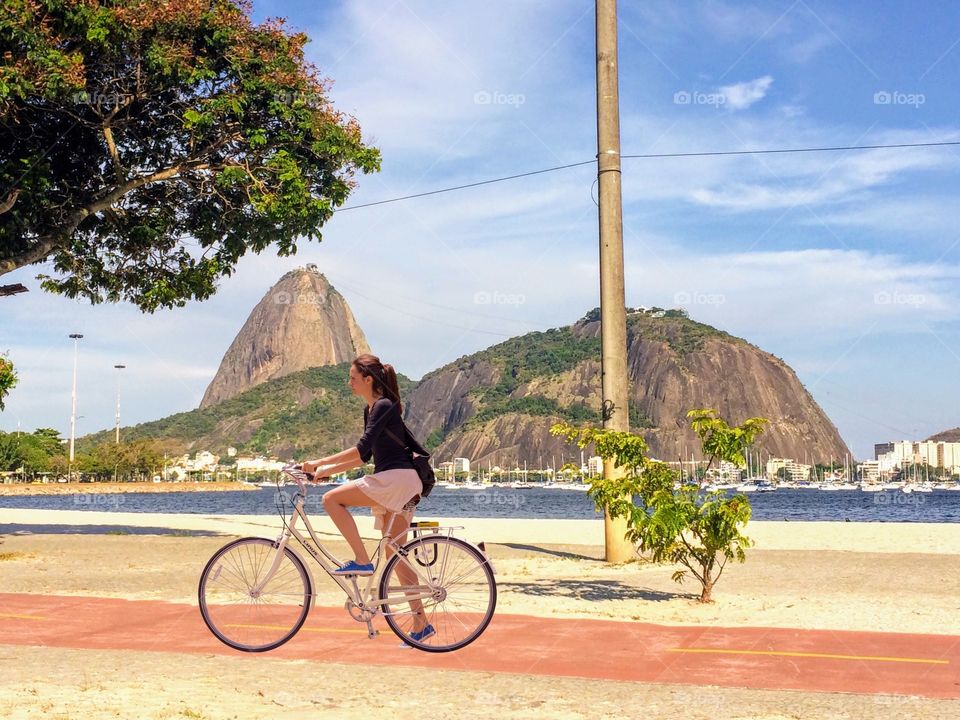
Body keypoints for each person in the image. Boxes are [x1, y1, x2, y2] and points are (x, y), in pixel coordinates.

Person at [301, 353, 434, 642]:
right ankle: (421, 623)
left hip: (395, 480)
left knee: (331, 501)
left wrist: (318, 463)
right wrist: (324, 471)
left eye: (352, 377)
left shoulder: (384, 405)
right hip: (400, 481)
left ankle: (362, 560)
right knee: (395, 554)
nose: (348, 382)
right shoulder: (371, 410)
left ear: (368, 379)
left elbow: (360, 449)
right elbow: (364, 457)